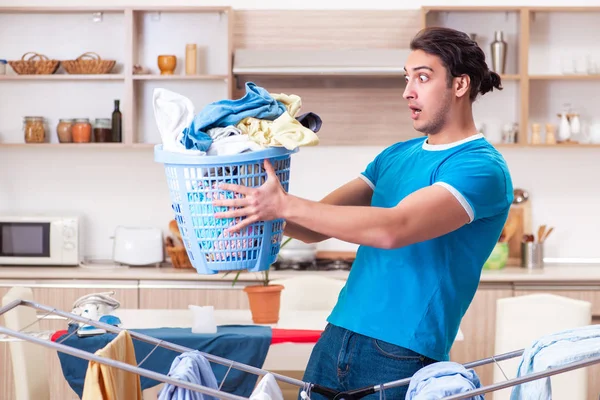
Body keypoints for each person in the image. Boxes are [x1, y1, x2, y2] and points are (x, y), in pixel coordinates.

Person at [213, 26, 514, 399]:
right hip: (337, 336)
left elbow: (395, 228)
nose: (408, 91)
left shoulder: (480, 168)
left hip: (403, 351)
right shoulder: (396, 155)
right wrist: (256, 207)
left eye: (423, 77)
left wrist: (284, 204)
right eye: (407, 78)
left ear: (459, 85)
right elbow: (313, 225)